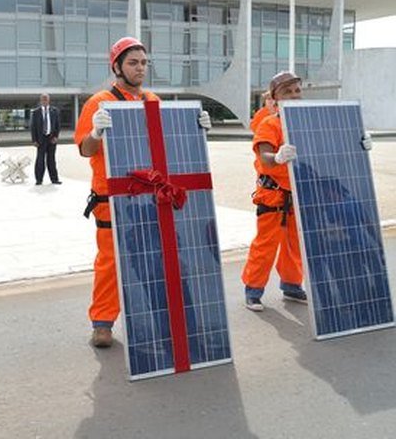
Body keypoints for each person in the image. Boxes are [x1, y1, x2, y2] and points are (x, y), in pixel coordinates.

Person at [75, 37, 210, 348]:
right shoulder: (99, 102)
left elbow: (169, 143)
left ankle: (170, 320)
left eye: (144, 62)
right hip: (112, 198)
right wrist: (96, 131)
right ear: (117, 67)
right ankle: (103, 322)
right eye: (133, 62)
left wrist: (196, 128)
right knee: (111, 262)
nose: (140, 68)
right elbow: (85, 148)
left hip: (151, 196)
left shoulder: (153, 100)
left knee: (160, 258)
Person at [241, 71, 308, 311]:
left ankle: (291, 285)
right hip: (274, 196)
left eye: (297, 90)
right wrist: (278, 157)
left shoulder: (306, 123)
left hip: (299, 196)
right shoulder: (270, 124)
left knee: (295, 246)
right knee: (266, 246)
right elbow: (265, 157)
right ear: (275, 98)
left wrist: (358, 142)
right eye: (287, 92)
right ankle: (253, 290)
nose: (294, 95)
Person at [30, 93, 61, 185]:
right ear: (40, 101)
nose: (45, 101)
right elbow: (33, 127)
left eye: (46, 99)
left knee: (51, 159)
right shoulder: (36, 112)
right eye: (43, 99)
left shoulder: (54, 111)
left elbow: (57, 125)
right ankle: (39, 180)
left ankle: (54, 179)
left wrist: (56, 137)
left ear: (49, 100)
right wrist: (34, 140)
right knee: (40, 160)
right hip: (40, 139)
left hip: (51, 139)